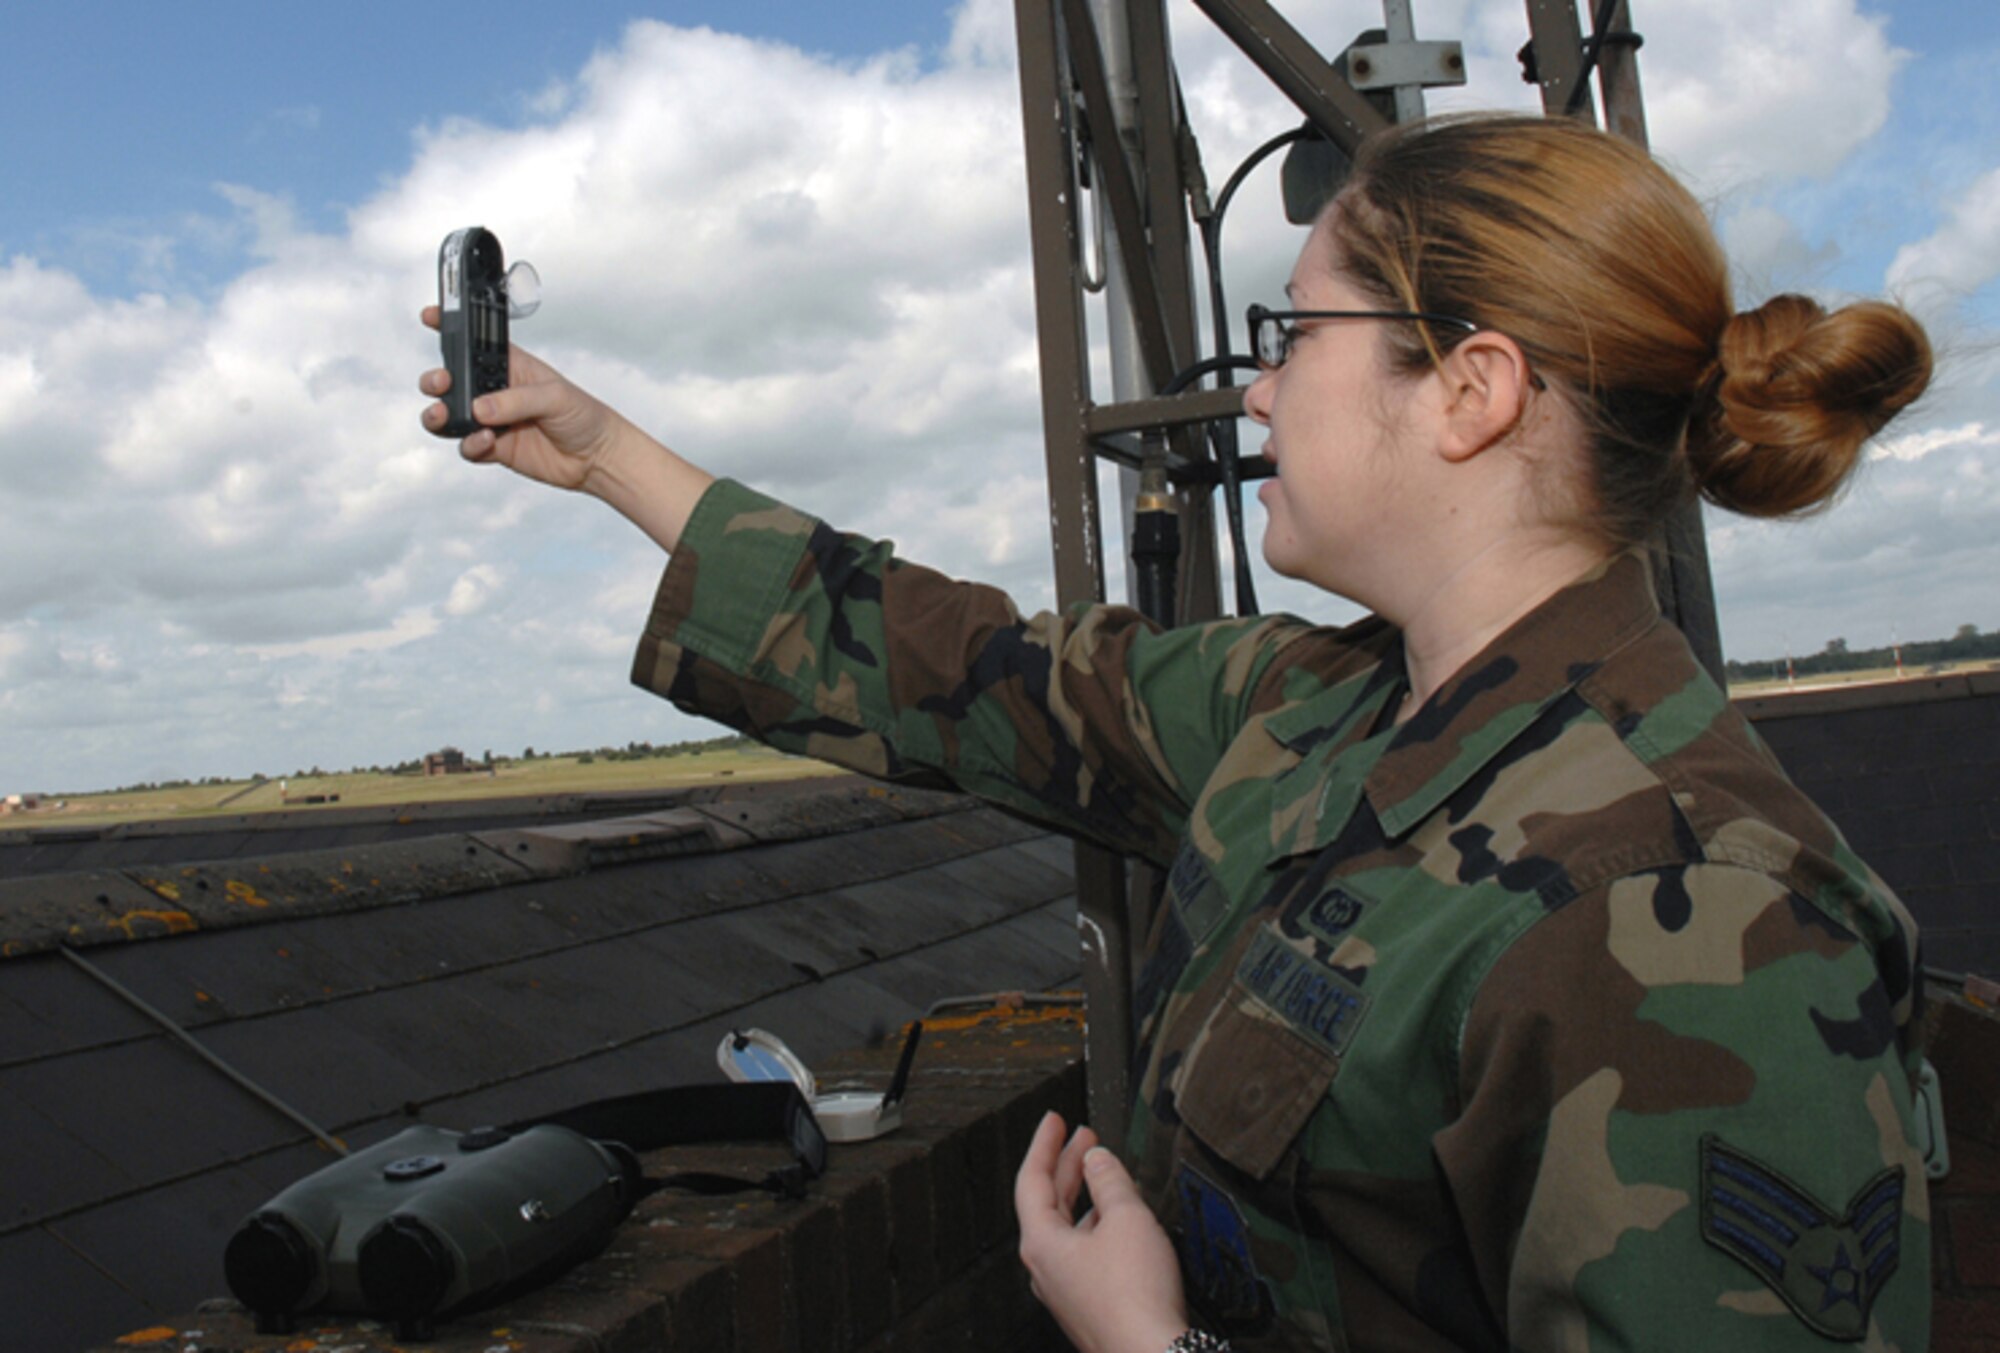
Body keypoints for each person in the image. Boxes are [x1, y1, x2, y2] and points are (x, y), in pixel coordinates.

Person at [419, 113, 1934, 1351]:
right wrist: (607, 455)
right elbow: (965, 666)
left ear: (1472, 390)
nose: (1259, 386)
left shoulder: (1706, 916)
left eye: (1299, 332)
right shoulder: (1309, 708)